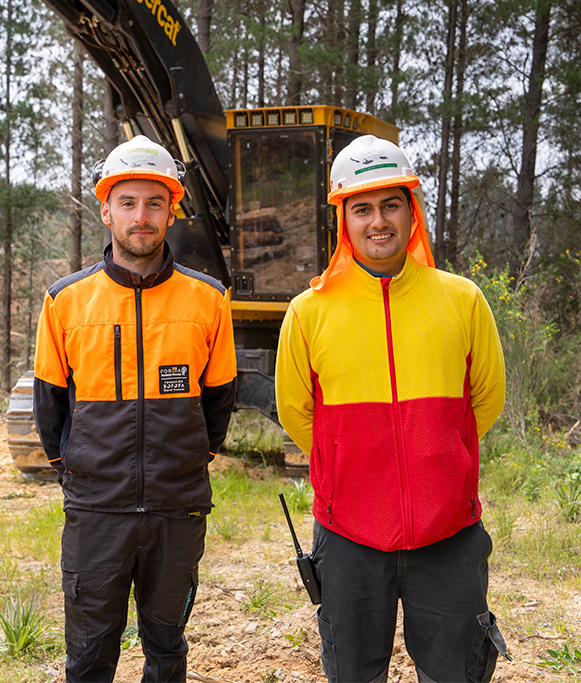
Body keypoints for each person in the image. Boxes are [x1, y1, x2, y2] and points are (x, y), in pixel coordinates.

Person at [275, 135, 509, 682]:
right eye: (361, 208)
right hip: (348, 536)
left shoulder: (462, 300)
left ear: (411, 210)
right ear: (343, 218)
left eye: (389, 205)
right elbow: (296, 412)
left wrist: (438, 466)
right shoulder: (308, 313)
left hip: (449, 533)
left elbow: (486, 401)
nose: (377, 221)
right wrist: (352, 465)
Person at [33, 135, 237, 683]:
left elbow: (219, 400)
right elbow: (50, 407)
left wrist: (190, 459)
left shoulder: (209, 298)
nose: (140, 216)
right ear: (106, 210)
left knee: (167, 648)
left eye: (154, 203)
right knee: (90, 653)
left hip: (177, 506)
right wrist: (80, 472)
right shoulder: (65, 300)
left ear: (172, 211)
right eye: (127, 203)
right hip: (97, 510)